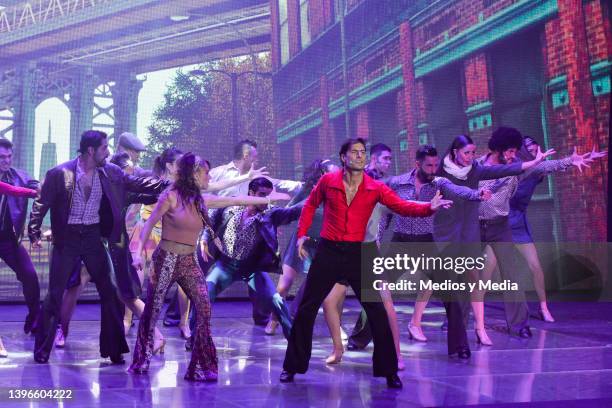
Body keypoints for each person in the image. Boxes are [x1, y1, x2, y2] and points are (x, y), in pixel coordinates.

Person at [280, 137, 453, 389]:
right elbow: (310, 205)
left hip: (360, 253)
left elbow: (402, 206)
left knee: (376, 310)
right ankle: (292, 367)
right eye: (355, 152)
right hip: (329, 251)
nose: (360, 156)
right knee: (306, 308)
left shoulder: (375, 187)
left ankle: (389, 370)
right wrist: (301, 234)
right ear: (344, 157)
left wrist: (429, 207)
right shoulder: (328, 181)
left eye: (363, 152)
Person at [128, 153, 289, 381]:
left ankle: (200, 366)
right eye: (205, 172)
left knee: (203, 308)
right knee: (152, 311)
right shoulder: (170, 196)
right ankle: (141, 359)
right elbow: (148, 226)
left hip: (188, 261)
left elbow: (236, 199)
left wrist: (267, 200)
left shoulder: (201, 201)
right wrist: (137, 254)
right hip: (166, 260)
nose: (209, 176)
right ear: (194, 174)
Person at [28, 130, 170, 364]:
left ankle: (114, 350)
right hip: (68, 239)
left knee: (111, 291)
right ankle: (42, 351)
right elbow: (42, 203)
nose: (109, 152)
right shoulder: (59, 173)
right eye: (105, 148)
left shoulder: (110, 172)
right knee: (55, 295)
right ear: (90, 151)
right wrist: (34, 231)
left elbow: (138, 182)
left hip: (93, 237)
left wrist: (169, 184)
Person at [434, 133, 554, 357]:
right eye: (509, 151)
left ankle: (519, 324)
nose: (512, 156)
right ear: (498, 150)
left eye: (514, 152)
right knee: (465, 276)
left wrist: (558, 162)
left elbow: (524, 169)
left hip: (500, 225)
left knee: (511, 274)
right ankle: (455, 322)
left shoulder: (508, 167)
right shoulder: (473, 167)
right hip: (473, 227)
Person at [265, 159, 351, 365]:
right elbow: (291, 208)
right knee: (284, 284)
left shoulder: (341, 191)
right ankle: (274, 319)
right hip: (301, 241)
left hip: (321, 244)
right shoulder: (309, 190)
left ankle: (334, 326)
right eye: (332, 173)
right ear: (321, 174)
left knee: (325, 284)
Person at [203, 177, 300, 339]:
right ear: (250, 193)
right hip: (226, 266)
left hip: (251, 269)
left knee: (276, 301)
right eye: (262, 195)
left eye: (268, 196)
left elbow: (294, 211)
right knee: (204, 295)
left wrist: (318, 195)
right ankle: (195, 338)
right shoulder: (231, 205)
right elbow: (211, 217)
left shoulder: (270, 214)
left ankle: (295, 341)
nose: (265, 200)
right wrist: (205, 238)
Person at [0, 138, 41, 336]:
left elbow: (39, 187)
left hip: (9, 239)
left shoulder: (20, 176)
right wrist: (34, 192)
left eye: (9, 157)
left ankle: (34, 319)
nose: (6, 161)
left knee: (30, 276)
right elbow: (15, 191)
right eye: (1, 157)